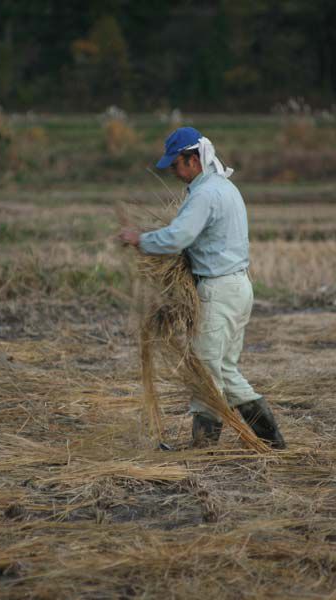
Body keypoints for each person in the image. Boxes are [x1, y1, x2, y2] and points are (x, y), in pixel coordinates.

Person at [119, 127, 285, 449]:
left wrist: (141, 239)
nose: (174, 172)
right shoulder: (225, 187)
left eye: (176, 164)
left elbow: (178, 237)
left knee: (205, 372)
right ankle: (271, 440)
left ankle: (205, 448)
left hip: (218, 291)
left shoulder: (205, 194)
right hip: (238, 288)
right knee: (223, 369)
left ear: (193, 159)